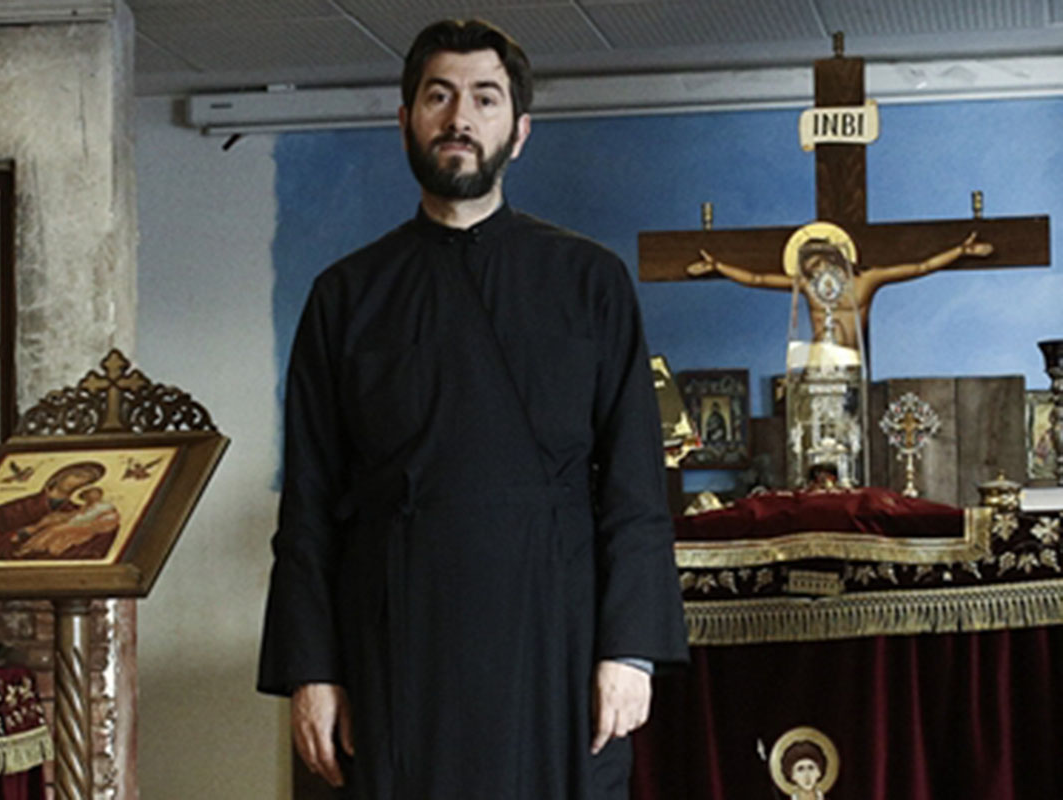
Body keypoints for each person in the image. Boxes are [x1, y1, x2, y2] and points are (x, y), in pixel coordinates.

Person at [257, 18, 688, 800]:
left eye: (485, 99)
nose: (460, 118)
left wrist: (630, 652)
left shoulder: (590, 282)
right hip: (396, 641)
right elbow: (310, 507)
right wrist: (311, 670)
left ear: (518, 132)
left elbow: (635, 488)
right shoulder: (346, 297)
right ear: (405, 121)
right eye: (439, 97)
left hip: (556, 636)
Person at [685, 230, 994, 349]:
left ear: (837, 259)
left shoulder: (867, 280)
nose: (819, 273)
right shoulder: (809, 287)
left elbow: (920, 267)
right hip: (819, 360)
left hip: (852, 361)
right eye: (812, 269)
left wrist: (960, 251)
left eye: (822, 264)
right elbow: (757, 279)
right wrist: (718, 266)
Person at [0, 462, 105, 562]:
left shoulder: (77, 513)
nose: (80, 483)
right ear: (58, 477)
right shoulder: (17, 507)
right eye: (78, 476)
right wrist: (24, 533)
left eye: (88, 481)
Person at [13, 486, 121, 559]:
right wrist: (64, 517)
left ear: (99, 494)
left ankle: (31, 547)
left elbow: (105, 519)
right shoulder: (86, 507)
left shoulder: (104, 506)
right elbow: (78, 516)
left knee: (55, 529)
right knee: (53, 519)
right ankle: (29, 537)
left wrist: (77, 521)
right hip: (77, 524)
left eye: (92, 494)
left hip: (89, 527)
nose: (89, 497)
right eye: (87, 495)